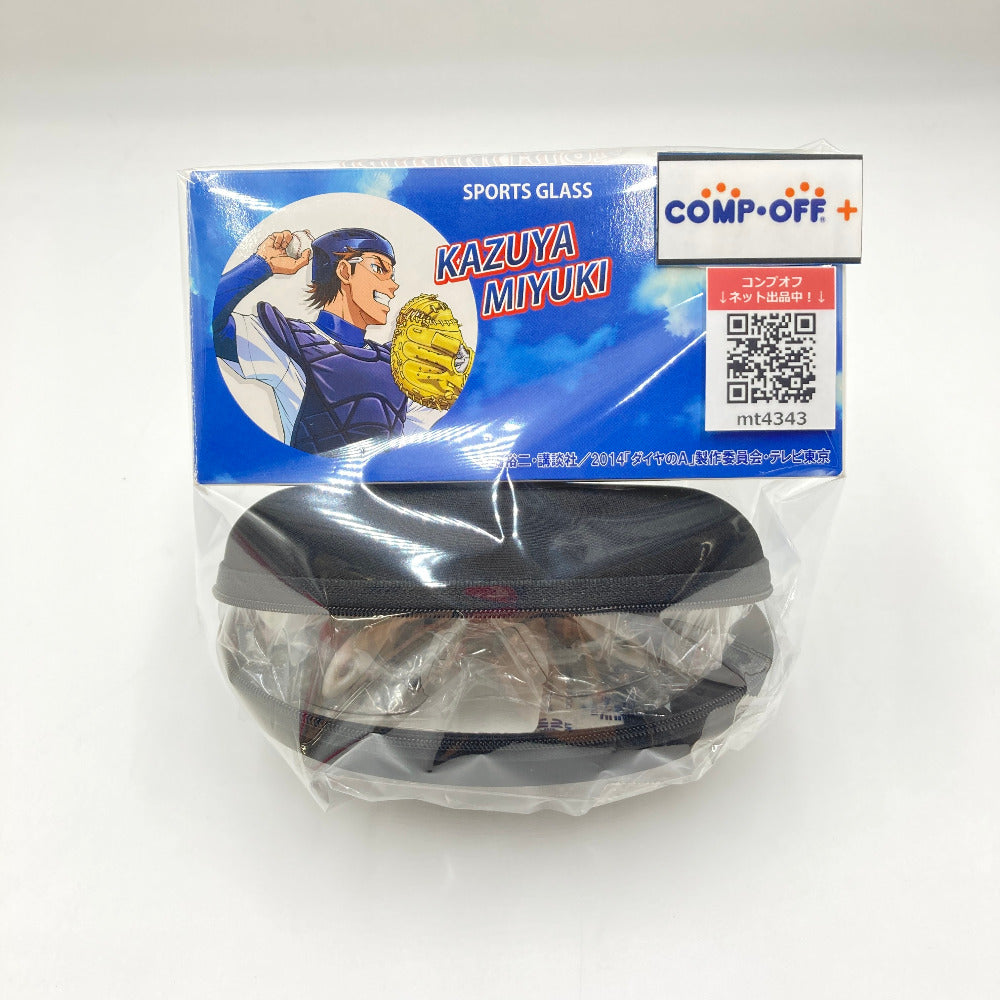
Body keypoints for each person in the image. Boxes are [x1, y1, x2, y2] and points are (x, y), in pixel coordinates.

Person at [213, 228, 414, 454]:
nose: (393, 286)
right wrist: (262, 264)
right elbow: (207, 324)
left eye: (392, 275)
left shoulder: (400, 363)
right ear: (344, 271)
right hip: (309, 475)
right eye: (379, 269)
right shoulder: (289, 341)